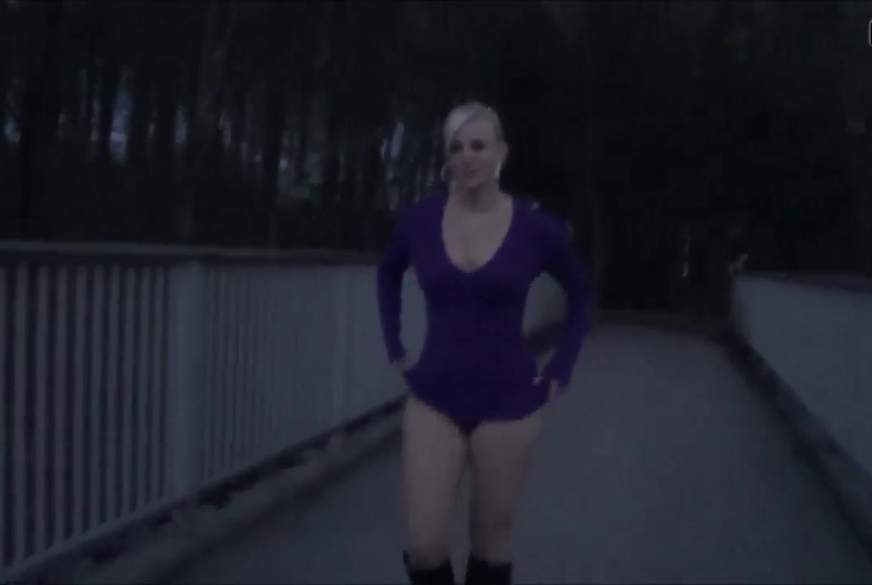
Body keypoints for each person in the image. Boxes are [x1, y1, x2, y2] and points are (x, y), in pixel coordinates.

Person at [376, 101, 592, 585]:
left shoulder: (537, 229)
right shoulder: (420, 221)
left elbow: (581, 295)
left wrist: (561, 367)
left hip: (508, 403)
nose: (468, 156)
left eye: (479, 145)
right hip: (434, 397)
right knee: (425, 546)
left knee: (489, 549)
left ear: (501, 153)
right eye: (456, 147)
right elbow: (387, 273)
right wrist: (394, 344)